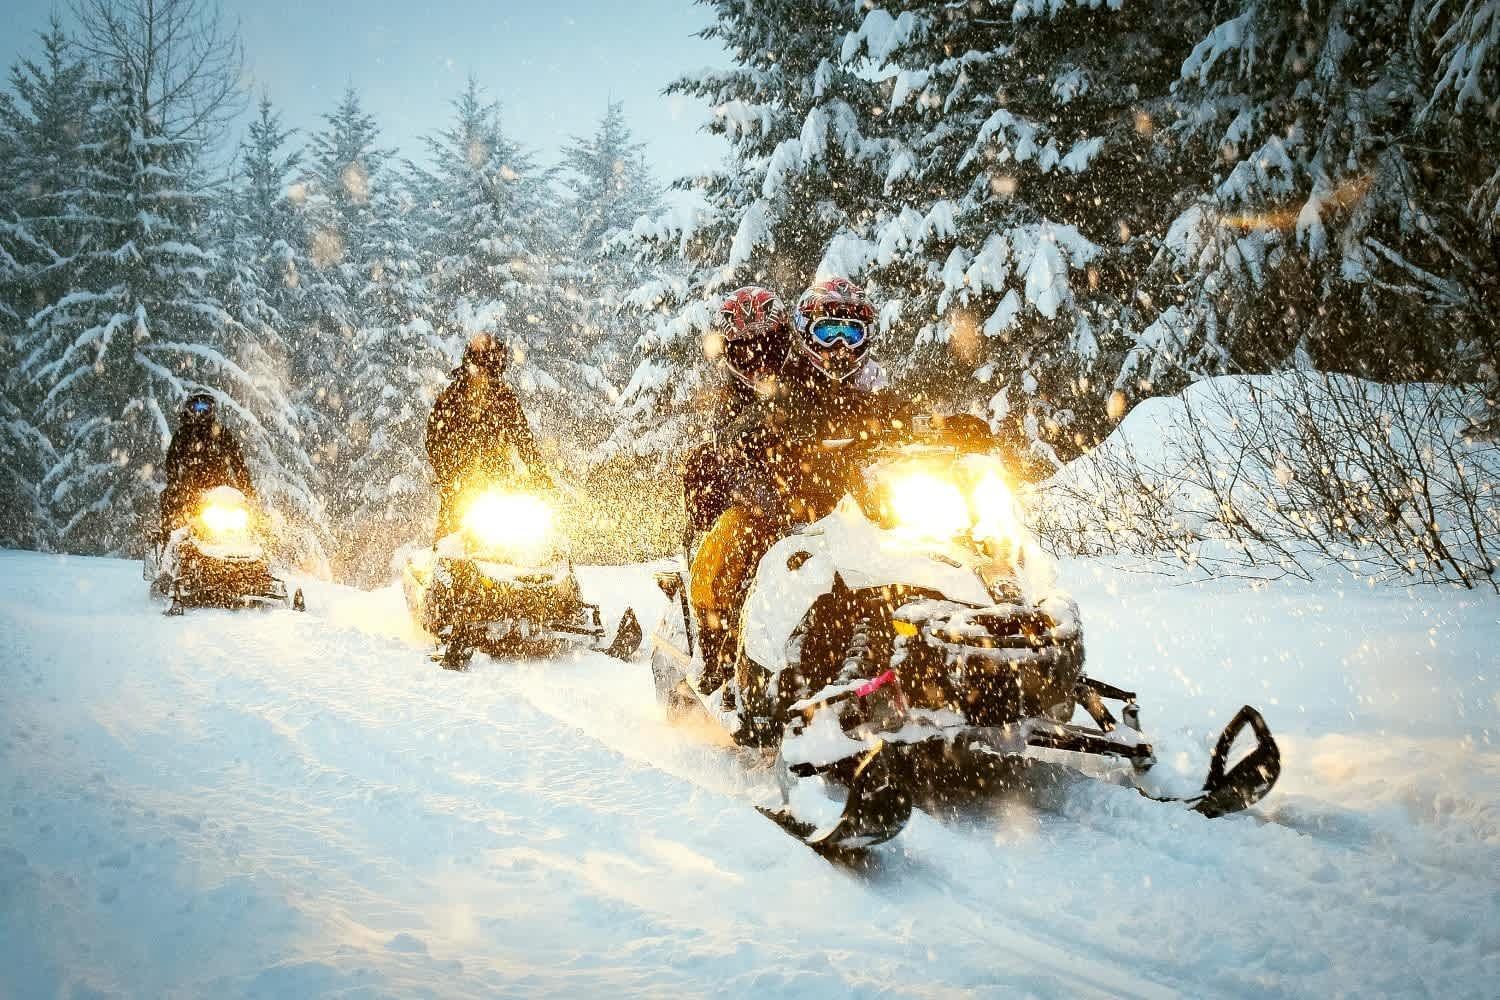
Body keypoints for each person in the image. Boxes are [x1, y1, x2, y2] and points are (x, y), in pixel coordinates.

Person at [687, 279, 910, 691]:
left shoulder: (870, 379)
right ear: (805, 332)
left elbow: (897, 409)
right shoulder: (792, 379)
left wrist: (942, 426)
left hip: (851, 495)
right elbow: (766, 413)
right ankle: (721, 645)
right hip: (786, 492)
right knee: (741, 536)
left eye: (851, 332)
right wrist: (764, 428)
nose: (840, 344)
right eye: (828, 331)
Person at [427, 333, 552, 541]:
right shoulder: (451, 398)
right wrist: (448, 472)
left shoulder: (505, 398)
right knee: (451, 539)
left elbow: (524, 439)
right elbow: (434, 439)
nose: (484, 376)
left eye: (490, 370)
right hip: (461, 487)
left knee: (526, 541)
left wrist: (540, 475)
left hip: (498, 483)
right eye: (481, 367)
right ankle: (444, 565)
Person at [159, 392, 255, 537]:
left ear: (212, 409)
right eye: (197, 407)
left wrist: (247, 488)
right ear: (189, 409)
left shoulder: (221, 433)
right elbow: (171, 461)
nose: (201, 411)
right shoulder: (183, 434)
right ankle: (168, 538)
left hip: (220, 487)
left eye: (205, 407)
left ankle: (261, 542)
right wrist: (175, 484)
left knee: (251, 517)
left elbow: (238, 461)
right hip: (190, 488)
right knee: (170, 503)